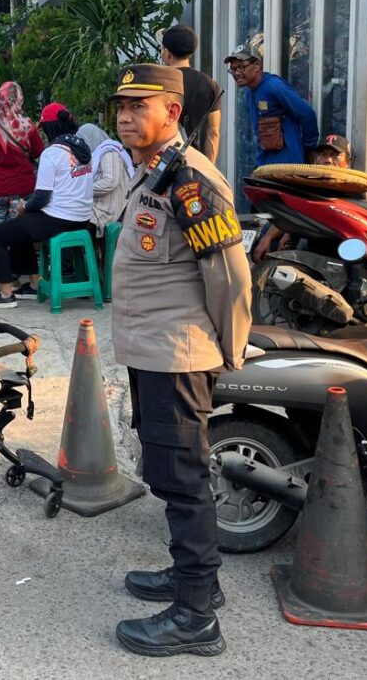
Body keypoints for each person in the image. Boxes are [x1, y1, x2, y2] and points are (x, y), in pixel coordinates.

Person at [108, 64, 252, 658]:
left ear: (172, 111)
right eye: (120, 104)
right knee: (167, 472)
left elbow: (229, 275)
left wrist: (230, 349)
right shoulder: (154, 173)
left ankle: (196, 617)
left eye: (140, 104)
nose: (124, 114)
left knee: (186, 480)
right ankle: (192, 581)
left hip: (176, 354)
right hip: (151, 350)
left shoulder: (191, 180)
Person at [0, 118, 94, 310]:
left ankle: (5, 293)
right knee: (21, 227)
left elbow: (41, 198)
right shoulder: (83, 150)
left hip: (58, 218)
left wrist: (25, 207)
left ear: (49, 129)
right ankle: (34, 283)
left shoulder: (52, 153)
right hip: (82, 218)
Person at [0, 81, 44, 295]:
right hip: (23, 188)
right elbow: (38, 151)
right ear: (19, 99)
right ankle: (14, 276)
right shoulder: (28, 125)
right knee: (18, 233)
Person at [251, 133, 356, 263]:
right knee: (267, 229)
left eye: (335, 155)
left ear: (347, 162)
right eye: (322, 154)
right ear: (314, 160)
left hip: (334, 245)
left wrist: (291, 233)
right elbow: (291, 212)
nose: (328, 160)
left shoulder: (353, 190)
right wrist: (268, 237)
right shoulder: (309, 184)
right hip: (306, 235)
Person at [225, 45, 318, 167]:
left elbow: (307, 114)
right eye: (233, 69)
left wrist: (308, 148)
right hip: (265, 165)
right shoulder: (249, 92)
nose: (236, 73)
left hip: (287, 168)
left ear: (257, 65)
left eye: (241, 67)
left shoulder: (274, 86)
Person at [161, 25, 222, 162]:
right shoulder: (209, 84)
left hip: (162, 161)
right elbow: (213, 132)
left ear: (167, 53)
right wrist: (207, 167)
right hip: (195, 162)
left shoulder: (160, 83)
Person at [78, 122, 134, 234]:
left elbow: (110, 182)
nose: (82, 145)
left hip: (109, 210)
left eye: (84, 140)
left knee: (73, 219)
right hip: (101, 205)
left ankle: (88, 250)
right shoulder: (97, 153)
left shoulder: (109, 152)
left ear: (91, 138)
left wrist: (83, 189)